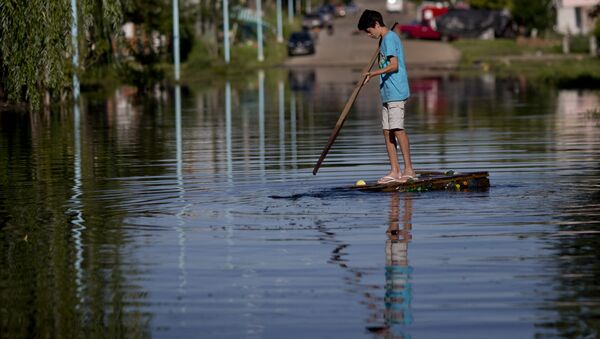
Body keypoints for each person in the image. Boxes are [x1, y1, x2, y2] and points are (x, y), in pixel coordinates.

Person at [357, 10, 415, 184]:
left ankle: (409, 170)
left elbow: (394, 66)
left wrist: (373, 73)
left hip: (396, 91)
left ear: (376, 24)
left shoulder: (389, 38)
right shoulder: (383, 40)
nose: (369, 35)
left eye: (369, 31)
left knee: (397, 129)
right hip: (387, 92)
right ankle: (395, 170)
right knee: (387, 131)